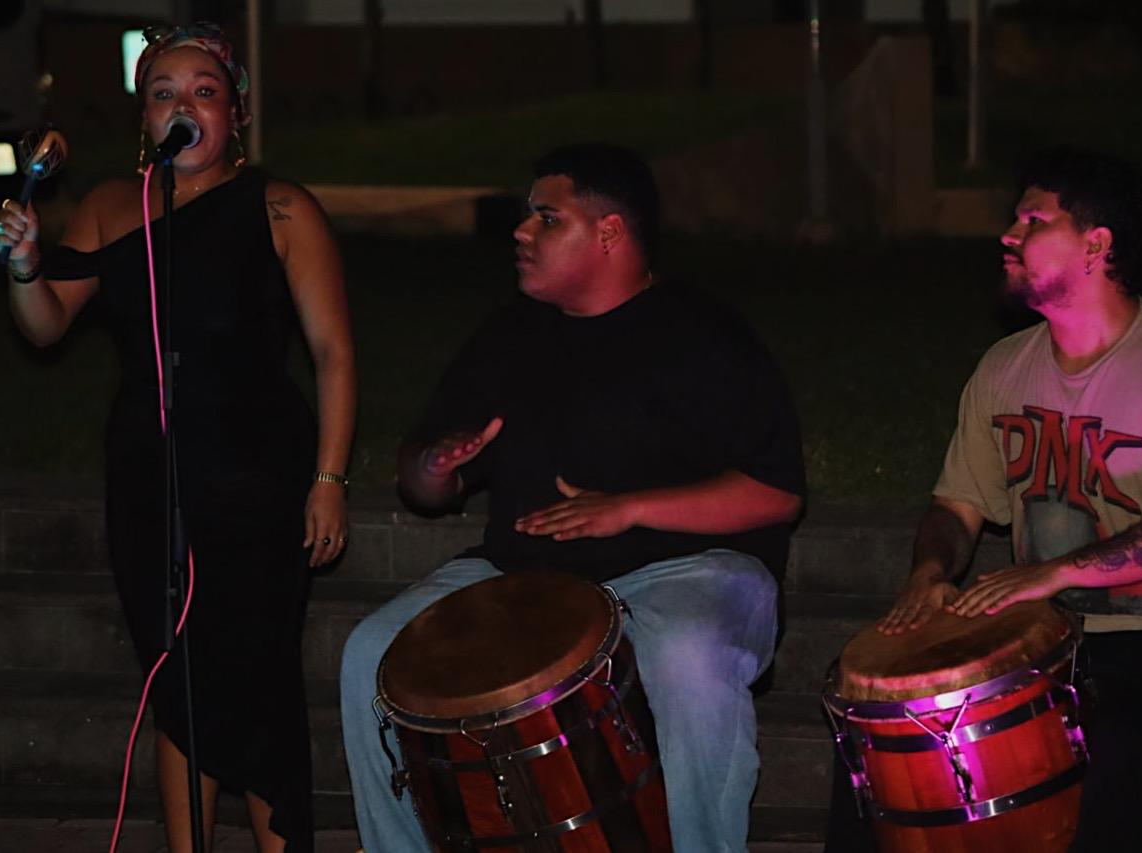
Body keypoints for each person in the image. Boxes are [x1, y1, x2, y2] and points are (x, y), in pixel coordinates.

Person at [339, 143, 805, 852]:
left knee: (685, 656)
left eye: (547, 218)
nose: (522, 232)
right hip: (522, 575)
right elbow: (423, 483)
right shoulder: (510, 335)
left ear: (609, 232)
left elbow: (775, 494)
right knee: (372, 653)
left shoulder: (703, 335)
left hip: (692, 571)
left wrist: (627, 508)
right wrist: (434, 465)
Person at [0, 23, 356, 852]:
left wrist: (329, 480)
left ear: (236, 113)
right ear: (145, 118)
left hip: (257, 473)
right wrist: (24, 267)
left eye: (203, 91)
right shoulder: (110, 206)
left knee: (254, 673)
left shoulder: (280, 207)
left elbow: (333, 352)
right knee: (176, 671)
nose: (182, 105)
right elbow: (44, 325)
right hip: (148, 473)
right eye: (163, 93)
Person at [843, 147, 1142, 851]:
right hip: (1041, 631)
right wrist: (929, 572)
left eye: (1033, 221)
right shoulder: (1004, 366)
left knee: (1104, 731)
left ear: (1095, 244)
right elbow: (957, 504)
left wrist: (1047, 574)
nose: (1009, 234)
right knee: (881, 717)